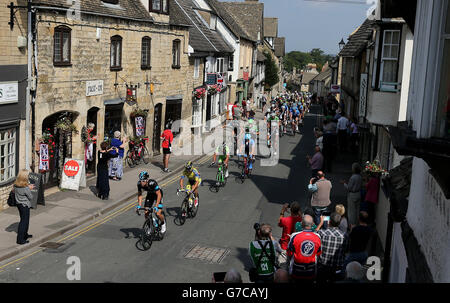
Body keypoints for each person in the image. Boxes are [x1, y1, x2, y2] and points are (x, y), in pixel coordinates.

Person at [287, 215, 322, 282]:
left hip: (296, 271)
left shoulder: (294, 236)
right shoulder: (317, 237)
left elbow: (289, 253)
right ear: (312, 224)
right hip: (311, 271)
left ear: (302, 224)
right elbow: (318, 253)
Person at [316, 212, 348, 283]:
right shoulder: (344, 236)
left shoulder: (321, 233)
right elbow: (344, 251)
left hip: (322, 267)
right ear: (339, 223)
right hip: (336, 268)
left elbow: (315, 235)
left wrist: (321, 223)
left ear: (329, 222)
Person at [278, 202, 302, 270]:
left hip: (285, 245)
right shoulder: (301, 220)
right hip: (295, 246)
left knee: (283, 266)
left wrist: (282, 211)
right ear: (299, 211)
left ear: (290, 210)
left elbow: (279, 223)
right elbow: (300, 216)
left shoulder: (285, 220)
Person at [14, 169, 34, 245]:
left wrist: (28, 187)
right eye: (28, 175)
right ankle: (20, 240)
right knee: (24, 222)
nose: (29, 177)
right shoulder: (25, 188)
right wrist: (30, 188)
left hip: (19, 204)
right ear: (25, 177)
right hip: (25, 205)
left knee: (24, 220)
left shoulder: (16, 185)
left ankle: (25, 235)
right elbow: (31, 197)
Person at [341, 163, 363, 227]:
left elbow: (349, 188)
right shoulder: (360, 176)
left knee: (351, 211)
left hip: (352, 195)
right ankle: (357, 222)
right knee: (357, 210)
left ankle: (352, 224)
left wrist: (344, 183)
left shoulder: (353, 177)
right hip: (358, 193)